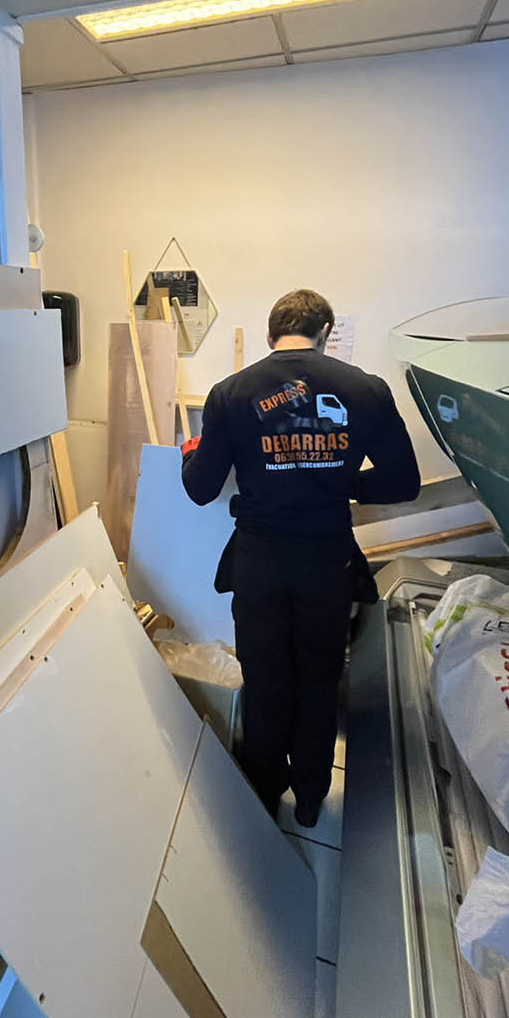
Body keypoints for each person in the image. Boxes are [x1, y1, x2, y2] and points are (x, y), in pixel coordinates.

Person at [181, 288, 420, 826]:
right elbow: (404, 482)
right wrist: (341, 484)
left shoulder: (229, 393)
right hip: (326, 562)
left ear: (271, 336)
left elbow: (200, 489)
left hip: (260, 562)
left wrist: (192, 452)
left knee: (264, 681)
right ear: (325, 335)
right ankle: (312, 797)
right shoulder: (368, 390)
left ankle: (263, 795)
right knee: (318, 680)